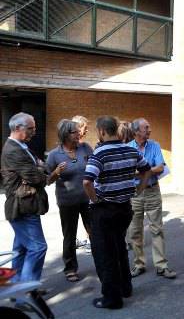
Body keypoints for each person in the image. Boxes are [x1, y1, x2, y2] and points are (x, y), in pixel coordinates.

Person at [83, 116, 152, 309]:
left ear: (102, 131)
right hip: (124, 208)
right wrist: (140, 189)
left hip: (105, 210)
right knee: (119, 247)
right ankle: (125, 287)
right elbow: (147, 170)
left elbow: (87, 181)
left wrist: (95, 199)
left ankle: (112, 298)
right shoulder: (131, 150)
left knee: (105, 253)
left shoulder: (99, 154)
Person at [1, 113, 48, 287]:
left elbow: (41, 167)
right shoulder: (13, 150)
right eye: (30, 128)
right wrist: (39, 170)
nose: (34, 132)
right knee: (38, 247)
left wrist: (39, 169)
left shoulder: (21, 146)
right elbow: (38, 177)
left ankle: (15, 286)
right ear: (17, 128)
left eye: (34, 128)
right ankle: (27, 291)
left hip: (25, 205)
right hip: (22, 206)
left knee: (20, 249)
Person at [127, 118, 176, 279]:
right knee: (135, 230)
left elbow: (160, 167)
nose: (149, 129)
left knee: (157, 229)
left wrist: (140, 172)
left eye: (149, 126)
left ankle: (161, 265)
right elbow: (128, 171)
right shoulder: (127, 148)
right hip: (134, 192)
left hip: (152, 190)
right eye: (146, 127)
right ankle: (138, 264)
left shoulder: (154, 145)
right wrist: (147, 170)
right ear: (136, 131)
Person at [46, 119, 93, 282]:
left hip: (88, 199)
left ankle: (104, 263)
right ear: (66, 135)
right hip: (67, 201)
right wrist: (56, 172)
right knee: (70, 235)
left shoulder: (85, 148)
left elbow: (96, 166)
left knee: (95, 231)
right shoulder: (54, 155)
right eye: (75, 132)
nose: (79, 133)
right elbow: (47, 180)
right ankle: (70, 268)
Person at [72, 115, 92, 252]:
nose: (86, 131)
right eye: (85, 128)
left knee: (89, 218)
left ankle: (90, 241)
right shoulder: (65, 148)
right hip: (72, 193)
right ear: (77, 128)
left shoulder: (86, 147)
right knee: (71, 223)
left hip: (86, 190)